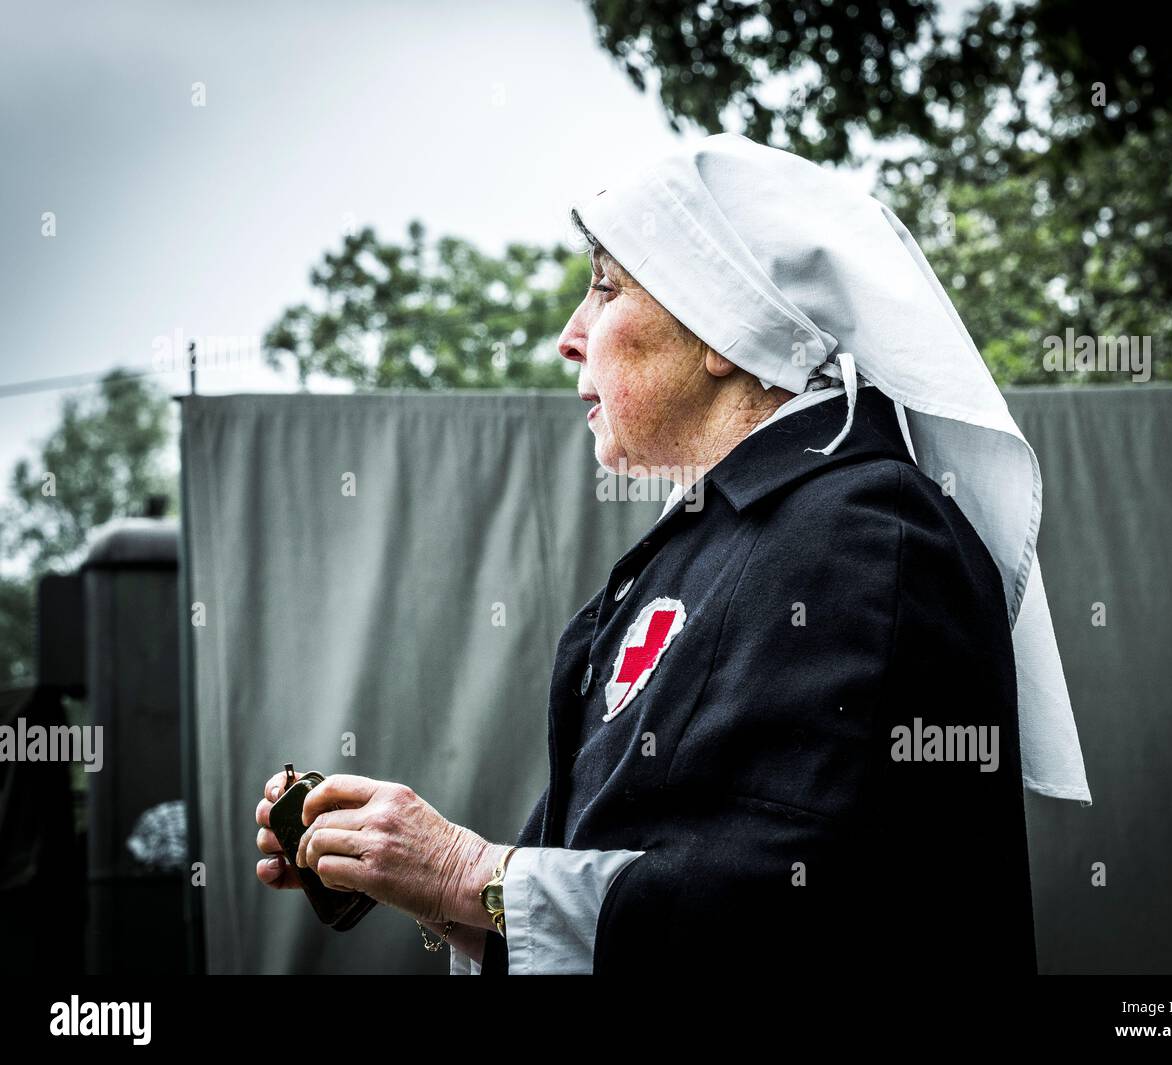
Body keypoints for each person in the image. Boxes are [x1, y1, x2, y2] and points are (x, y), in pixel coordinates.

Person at [254, 132, 1091, 975]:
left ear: (721, 327)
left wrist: (472, 875)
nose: (570, 336)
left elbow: (792, 909)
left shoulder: (868, 534)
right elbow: (622, 877)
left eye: (606, 288)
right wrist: (429, 879)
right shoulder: (729, 534)